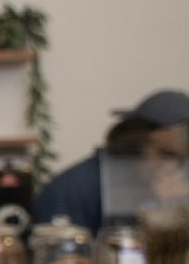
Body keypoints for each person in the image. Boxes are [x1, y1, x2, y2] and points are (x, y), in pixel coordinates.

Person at [31, 88, 189, 230]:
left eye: (183, 160)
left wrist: (176, 210)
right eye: (166, 154)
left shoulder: (171, 193)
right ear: (134, 143)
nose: (172, 168)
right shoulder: (71, 190)